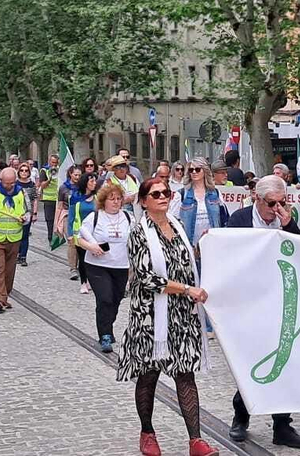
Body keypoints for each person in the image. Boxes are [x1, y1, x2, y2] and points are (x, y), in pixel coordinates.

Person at [117, 179, 218, 456]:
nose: (163, 197)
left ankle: (196, 440)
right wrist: (186, 289)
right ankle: (147, 433)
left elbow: (186, 261)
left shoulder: (178, 225)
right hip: (150, 317)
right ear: (144, 201)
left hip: (182, 315)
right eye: (156, 194)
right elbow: (147, 278)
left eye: (166, 193)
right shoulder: (138, 233)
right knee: (148, 376)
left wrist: (206, 244)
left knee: (185, 375)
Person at [223, 175, 300, 449]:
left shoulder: (286, 220)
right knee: (251, 361)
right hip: (250, 301)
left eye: (282, 202)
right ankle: (241, 415)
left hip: (282, 299)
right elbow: (229, 255)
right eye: (272, 203)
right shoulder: (240, 220)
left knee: (283, 360)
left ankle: (282, 424)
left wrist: (289, 225)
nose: (277, 208)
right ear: (257, 199)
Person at [78, 181, 133, 352]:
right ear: (104, 201)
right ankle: (105, 335)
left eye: (118, 198)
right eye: (112, 199)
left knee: (116, 299)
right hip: (97, 265)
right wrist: (91, 246)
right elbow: (79, 238)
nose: (116, 202)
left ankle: (108, 325)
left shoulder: (128, 217)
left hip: (121, 265)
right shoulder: (95, 217)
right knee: (105, 298)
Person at [0, 167, 28, 314]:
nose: (9, 186)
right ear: (0, 180)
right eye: (6, 183)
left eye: (12, 183)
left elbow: (27, 212)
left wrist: (25, 218)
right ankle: (0, 298)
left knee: (9, 270)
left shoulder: (21, 192)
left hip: (14, 238)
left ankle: (5, 294)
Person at [177, 157, 227, 274]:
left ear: (205, 171)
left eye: (197, 169)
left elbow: (224, 219)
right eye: (191, 170)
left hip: (212, 246)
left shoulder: (216, 193)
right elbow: (174, 221)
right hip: (190, 247)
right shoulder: (182, 194)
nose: (194, 172)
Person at [70, 173, 101, 294]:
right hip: (80, 233)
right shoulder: (76, 197)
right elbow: (72, 216)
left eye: (95, 181)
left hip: (94, 232)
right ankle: (83, 282)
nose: (94, 183)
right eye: (91, 181)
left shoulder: (97, 198)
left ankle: (91, 280)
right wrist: (70, 233)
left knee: (94, 258)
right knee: (82, 259)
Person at [14, 161, 40, 268]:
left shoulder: (32, 185)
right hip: (15, 213)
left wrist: (34, 213)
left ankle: (23, 256)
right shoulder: (14, 184)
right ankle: (16, 254)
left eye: (26, 170)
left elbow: (35, 199)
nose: (24, 172)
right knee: (16, 235)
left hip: (27, 213)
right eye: (22, 170)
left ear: (29, 172)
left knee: (25, 235)